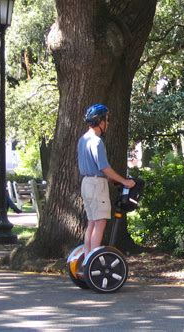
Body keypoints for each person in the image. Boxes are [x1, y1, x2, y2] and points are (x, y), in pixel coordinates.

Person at [77, 104, 135, 256]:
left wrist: (111, 179)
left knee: (91, 223)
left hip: (86, 183)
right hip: (97, 184)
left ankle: (86, 259)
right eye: (106, 120)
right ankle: (93, 260)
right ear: (100, 121)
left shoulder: (82, 140)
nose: (107, 123)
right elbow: (104, 167)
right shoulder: (96, 142)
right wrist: (124, 181)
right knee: (100, 224)